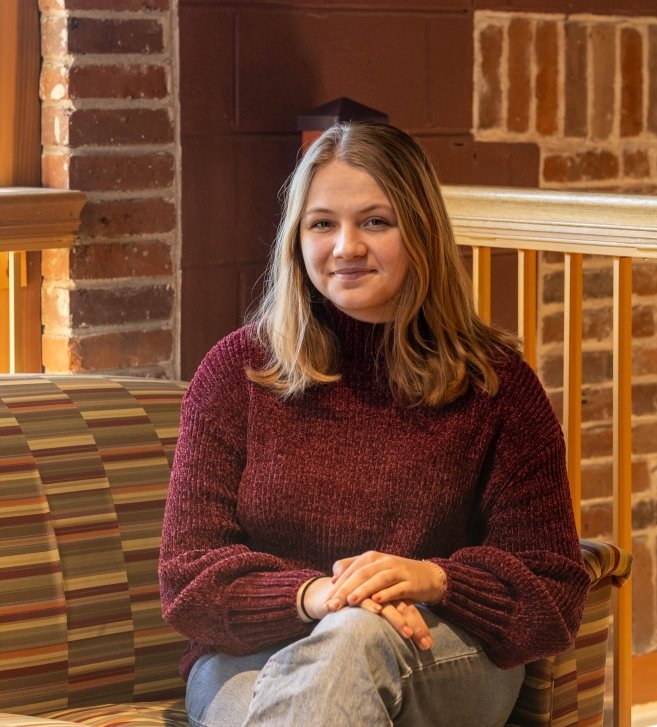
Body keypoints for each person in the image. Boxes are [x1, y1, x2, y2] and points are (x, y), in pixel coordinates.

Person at [158, 122, 589, 727]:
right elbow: (188, 578)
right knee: (316, 665)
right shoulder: (238, 370)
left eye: (376, 222)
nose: (347, 246)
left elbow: (551, 591)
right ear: (296, 240)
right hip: (250, 662)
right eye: (323, 223)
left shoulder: (496, 384)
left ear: (422, 231)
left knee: (356, 641)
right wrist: (321, 598)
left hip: (440, 656)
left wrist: (434, 579)